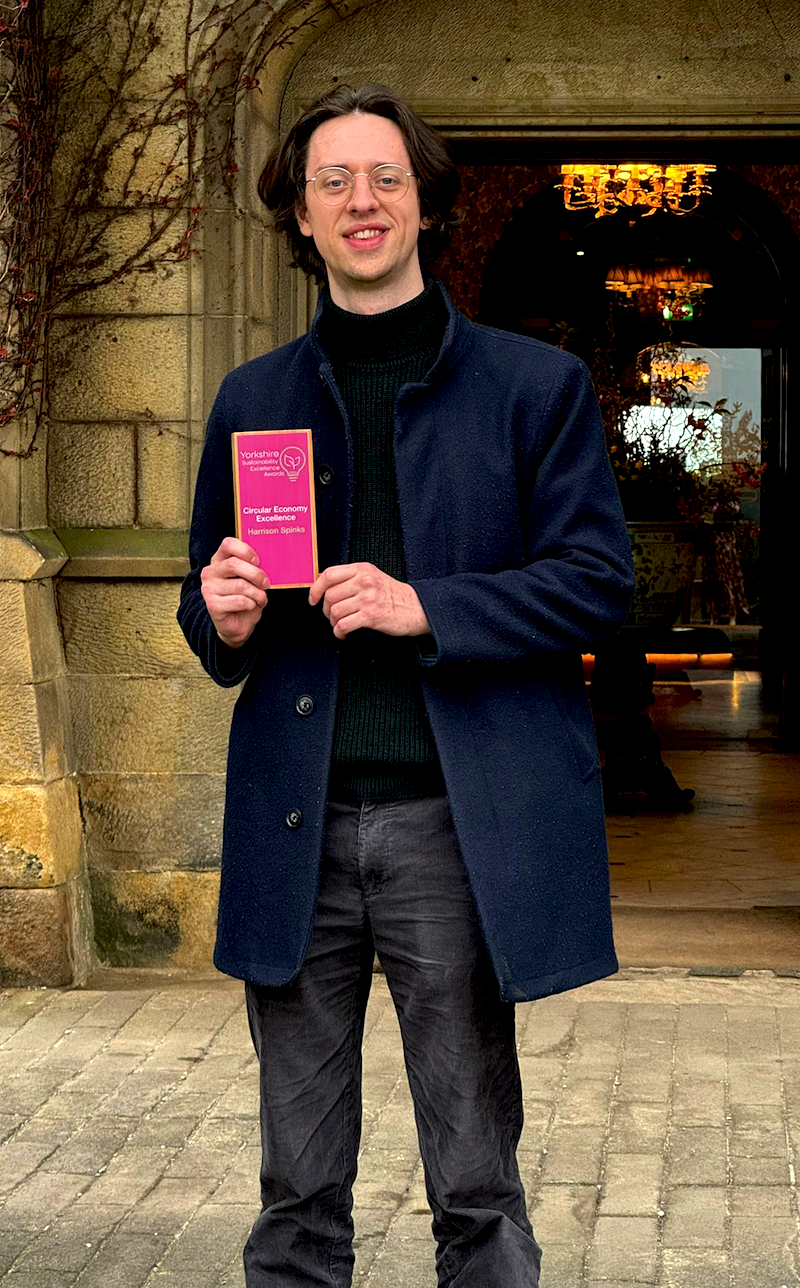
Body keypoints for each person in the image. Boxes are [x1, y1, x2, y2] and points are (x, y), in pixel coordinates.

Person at [177, 83, 634, 1288]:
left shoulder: (531, 388)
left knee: (475, 1186)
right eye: (333, 181)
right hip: (296, 821)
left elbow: (597, 584)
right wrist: (218, 613)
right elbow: (211, 606)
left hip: (455, 823)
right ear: (301, 216)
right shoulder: (250, 399)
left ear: (425, 204)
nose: (361, 200)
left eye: (384, 177)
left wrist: (427, 603)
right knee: (294, 1197)